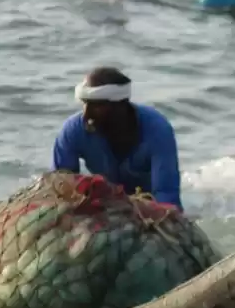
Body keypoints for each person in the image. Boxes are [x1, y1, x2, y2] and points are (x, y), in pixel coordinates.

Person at [52, 66, 181, 209]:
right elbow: (61, 186)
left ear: (120, 106)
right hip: (105, 201)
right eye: (85, 104)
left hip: (147, 201)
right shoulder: (73, 131)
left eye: (96, 106)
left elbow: (166, 194)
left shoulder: (158, 130)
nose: (87, 115)